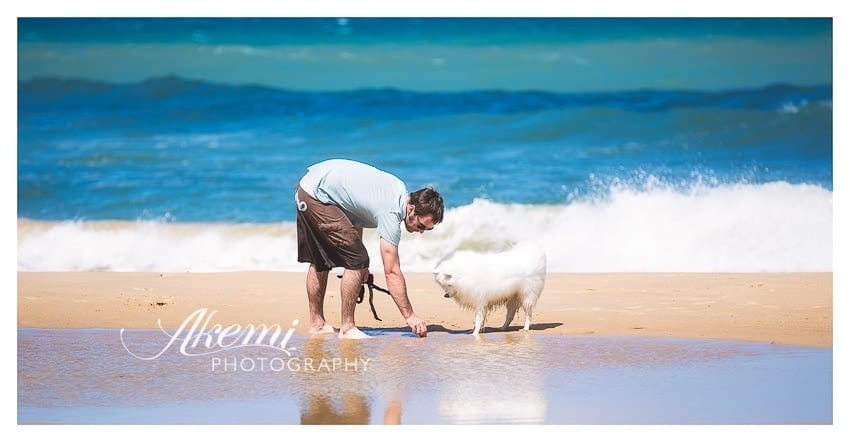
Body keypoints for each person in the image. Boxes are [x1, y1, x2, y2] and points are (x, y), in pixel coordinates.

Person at [295, 159, 444, 339]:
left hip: (311, 187)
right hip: (316, 195)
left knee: (326, 260)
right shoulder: (391, 212)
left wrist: (360, 262)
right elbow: (391, 272)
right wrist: (410, 316)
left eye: (427, 229)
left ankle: (317, 325)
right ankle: (347, 328)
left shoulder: (398, 189)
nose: (421, 232)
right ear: (411, 209)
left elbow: (355, 212)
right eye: (421, 226)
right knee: (357, 260)